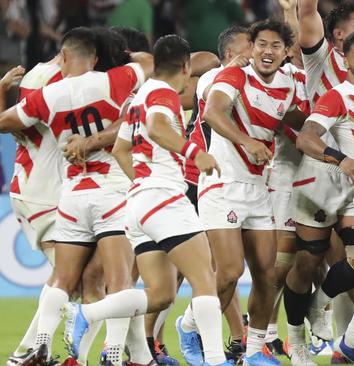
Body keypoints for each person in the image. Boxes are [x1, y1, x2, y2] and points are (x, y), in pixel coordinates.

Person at [60, 34, 230, 366]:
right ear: (185, 66)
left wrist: (141, 181)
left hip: (138, 204)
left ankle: (87, 313)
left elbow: (122, 149)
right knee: (205, 279)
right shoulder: (165, 95)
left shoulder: (137, 98)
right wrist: (195, 153)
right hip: (164, 199)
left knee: (161, 294)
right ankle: (215, 359)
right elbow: (156, 128)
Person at [0, 27, 155, 365]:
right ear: (97, 57)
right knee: (119, 282)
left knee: (63, 280)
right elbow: (149, 61)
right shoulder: (114, 82)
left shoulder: (48, 93)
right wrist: (125, 58)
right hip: (111, 193)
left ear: (66, 56)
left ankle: (40, 345)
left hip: (71, 194)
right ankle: (113, 355)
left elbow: (6, 122)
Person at [286, 3, 354, 364]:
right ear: (340, 44)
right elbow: (308, 18)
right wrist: (340, 157)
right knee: (306, 264)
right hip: (320, 176)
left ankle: (324, 309)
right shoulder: (324, 63)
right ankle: (295, 336)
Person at [200, 19, 305, 366]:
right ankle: (191, 324)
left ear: (285, 52)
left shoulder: (289, 83)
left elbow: (297, 120)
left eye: (276, 46)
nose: (267, 51)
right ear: (252, 47)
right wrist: (247, 141)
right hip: (223, 182)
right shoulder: (235, 75)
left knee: (267, 274)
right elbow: (213, 112)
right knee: (229, 272)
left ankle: (254, 351)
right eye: (261, 44)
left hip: (259, 188)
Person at [183, 24, 251, 362]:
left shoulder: (251, 81)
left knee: (225, 271)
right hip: (199, 180)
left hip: (229, 180)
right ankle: (168, 336)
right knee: (211, 271)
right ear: (228, 55)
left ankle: (239, 337)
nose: (255, 52)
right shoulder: (215, 77)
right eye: (248, 47)